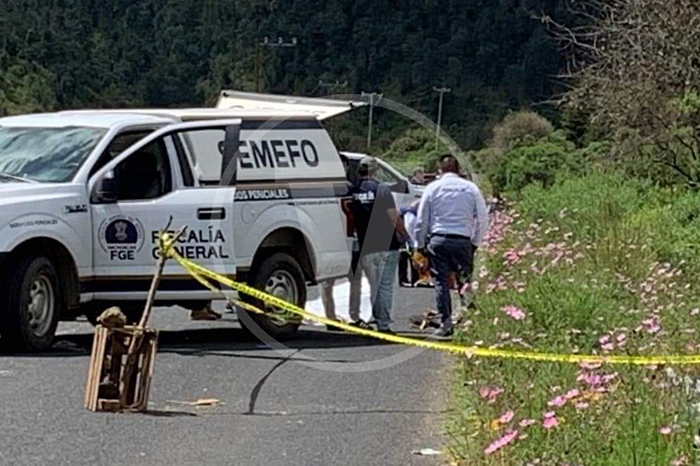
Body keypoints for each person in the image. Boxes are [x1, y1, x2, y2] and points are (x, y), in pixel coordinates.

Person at [414, 154, 488, 336]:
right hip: (462, 240)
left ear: (440, 170)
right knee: (464, 282)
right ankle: (471, 322)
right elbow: (482, 218)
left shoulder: (432, 188)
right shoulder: (471, 188)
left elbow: (421, 220)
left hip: (439, 240)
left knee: (441, 282)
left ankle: (445, 324)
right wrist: (475, 242)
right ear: (459, 170)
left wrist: (420, 244)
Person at [351, 156, 408, 334]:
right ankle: (383, 324)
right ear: (375, 171)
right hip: (386, 245)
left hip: (366, 246)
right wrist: (405, 235)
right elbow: (393, 217)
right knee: (384, 286)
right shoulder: (382, 189)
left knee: (374, 286)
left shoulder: (353, 191)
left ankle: (375, 317)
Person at [398, 201, 420, 287]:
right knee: (405, 253)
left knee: (413, 253)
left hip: (406, 230)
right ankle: (403, 279)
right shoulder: (409, 213)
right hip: (403, 232)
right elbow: (409, 228)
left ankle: (416, 278)